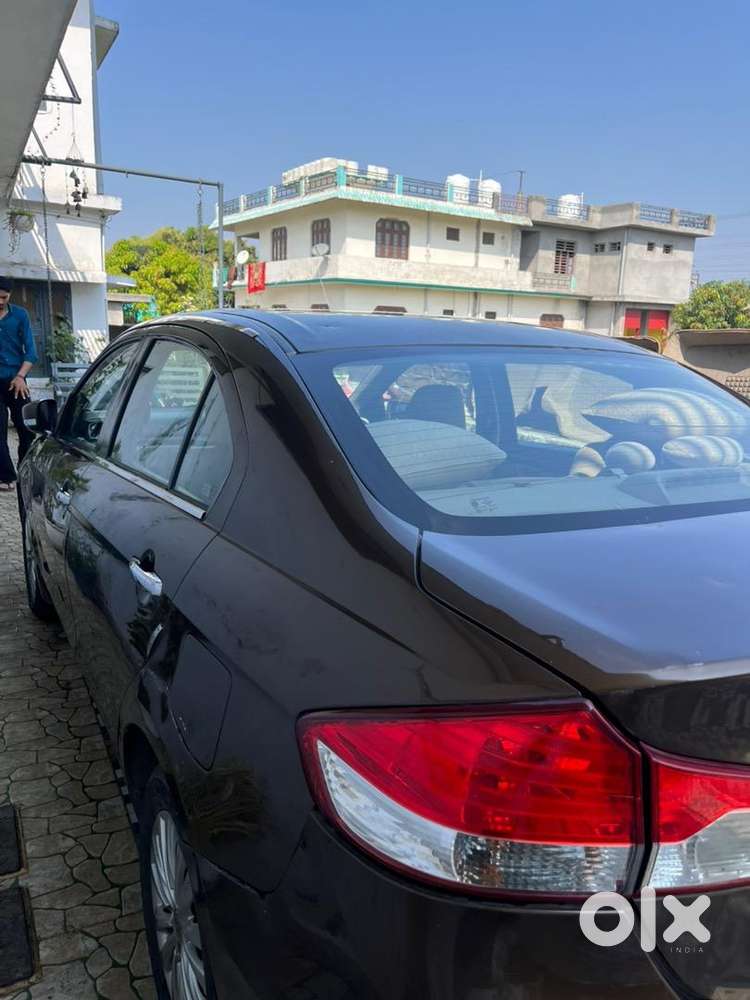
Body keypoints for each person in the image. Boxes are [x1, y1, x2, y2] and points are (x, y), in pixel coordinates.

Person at [0, 278, 38, 489]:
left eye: (3, 297)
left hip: (17, 380)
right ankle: (6, 477)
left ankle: (26, 471)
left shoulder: (20, 316)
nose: (0, 301)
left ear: (10, 295)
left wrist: (20, 376)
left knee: (27, 429)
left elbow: (31, 352)